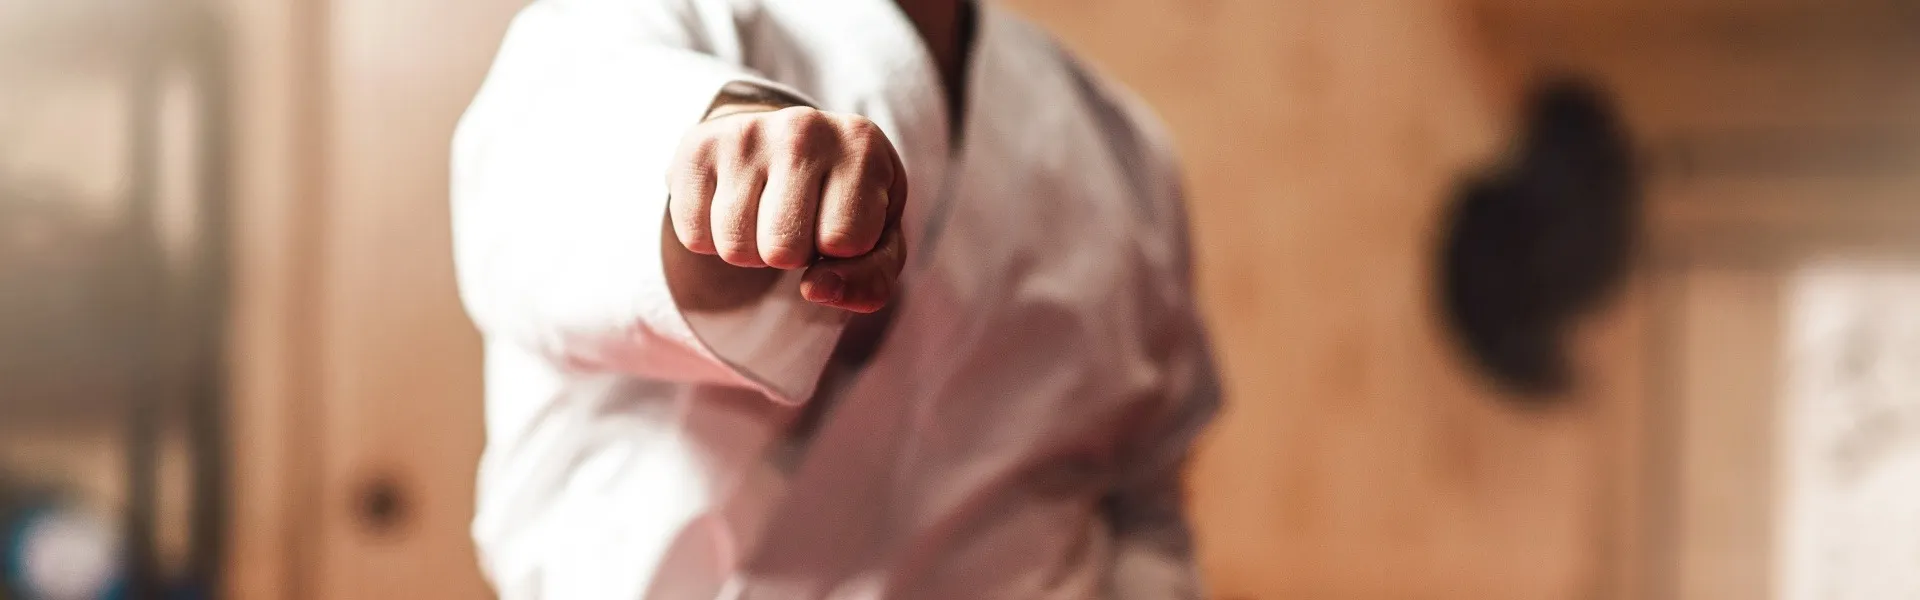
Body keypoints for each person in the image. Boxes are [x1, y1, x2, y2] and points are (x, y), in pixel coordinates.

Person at [451, 0, 1220, 597]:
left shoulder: (1116, 142)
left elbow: (1144, 493)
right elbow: (540, 218)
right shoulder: (617, 30)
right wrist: (731, 172)